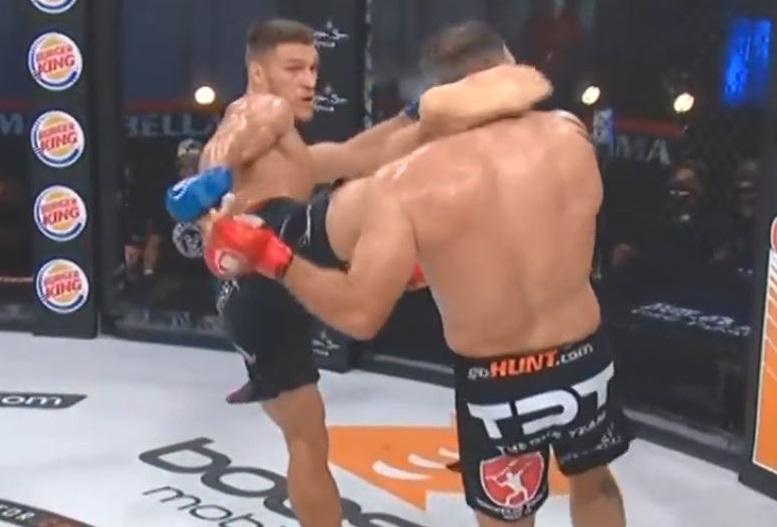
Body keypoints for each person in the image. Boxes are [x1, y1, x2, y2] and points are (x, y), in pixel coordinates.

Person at [204, 21, 630, 527]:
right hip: (584, 355)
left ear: (441, 92)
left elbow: (359, 313)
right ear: (509, 62)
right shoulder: (571, 134)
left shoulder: (411, 183)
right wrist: (212, 187)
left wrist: (273, 256)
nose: (309, 80)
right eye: (295, 68)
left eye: (311, 67)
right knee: (596, 482)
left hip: (499, 375)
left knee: (508, 517)